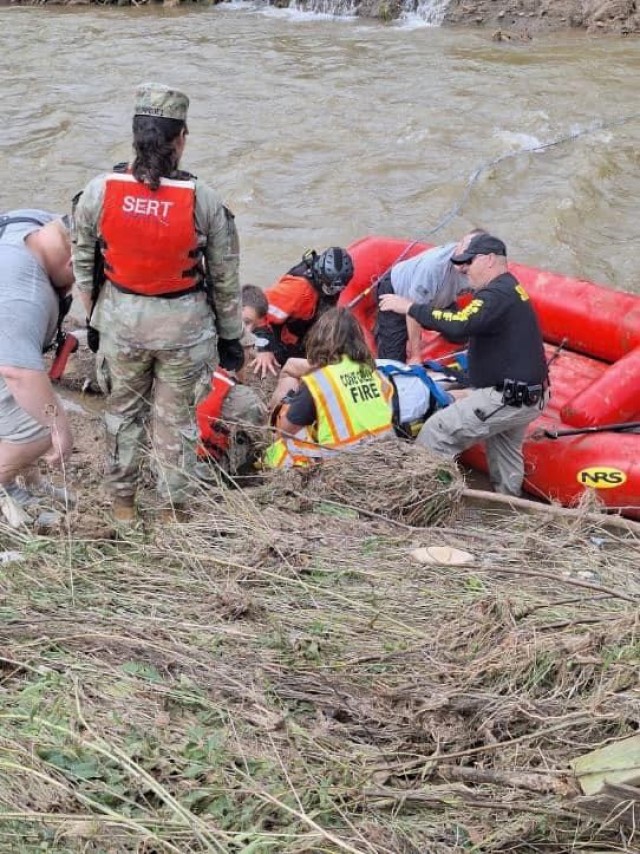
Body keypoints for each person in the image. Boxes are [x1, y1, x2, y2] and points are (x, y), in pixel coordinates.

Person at [72, 83, 243, 524]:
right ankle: (171, 513)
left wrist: (91, 316)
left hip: (120, 324)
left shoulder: (98, 190)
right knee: (175, 422)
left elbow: (84, 260)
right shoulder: (202, 199)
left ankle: (123, 507)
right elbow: (225, 278)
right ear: (181, 137)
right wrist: (232, 338)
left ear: (135, 135)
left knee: (122, 416)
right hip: (184, 332)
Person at [379, 233, 548, 496]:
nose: (465, 271)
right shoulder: (509, 288)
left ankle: (431, 499)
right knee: (505, 454)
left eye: (469, 263)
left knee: (436, 432)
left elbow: (459, 325)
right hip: (525, 394)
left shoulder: (496, 295)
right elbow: (464, 330)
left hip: (509, 396)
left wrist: (410, 307)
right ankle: (509, 506)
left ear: (489, 260)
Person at [0, 210, 76, 526]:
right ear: (75, 264)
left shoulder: (34, 223)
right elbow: (17, 372)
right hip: (7, 357)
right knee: (41, 425)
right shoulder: (25, 296)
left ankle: (25, 484)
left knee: (33, 400)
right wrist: (60, 428)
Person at [262, 307, 394, 469]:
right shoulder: (373, 373)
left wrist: (285, 404)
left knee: (277, 452)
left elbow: (285, 431)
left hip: (342, 460)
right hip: (382, 451)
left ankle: (265, 469)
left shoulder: (320, 381)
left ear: (319, 338)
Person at [375, 229, 485, 363]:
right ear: (459, 244)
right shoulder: (433, 268)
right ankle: (382, 329)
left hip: (441, 300)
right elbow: (412, 309)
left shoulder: (483, 271)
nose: (463, 263)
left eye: (470, 260)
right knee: (394, 361)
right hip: (399, 295)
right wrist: (416, 355)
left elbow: (483, 304)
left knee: (464, 334)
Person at [251, 247, 354, 378]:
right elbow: (259, 310)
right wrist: (263, 348)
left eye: (339, 288)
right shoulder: (298, 289)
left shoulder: (331, 283)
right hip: (281, 339)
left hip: (303, 331)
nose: (334, 291)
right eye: (330, 287)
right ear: (321, 276)